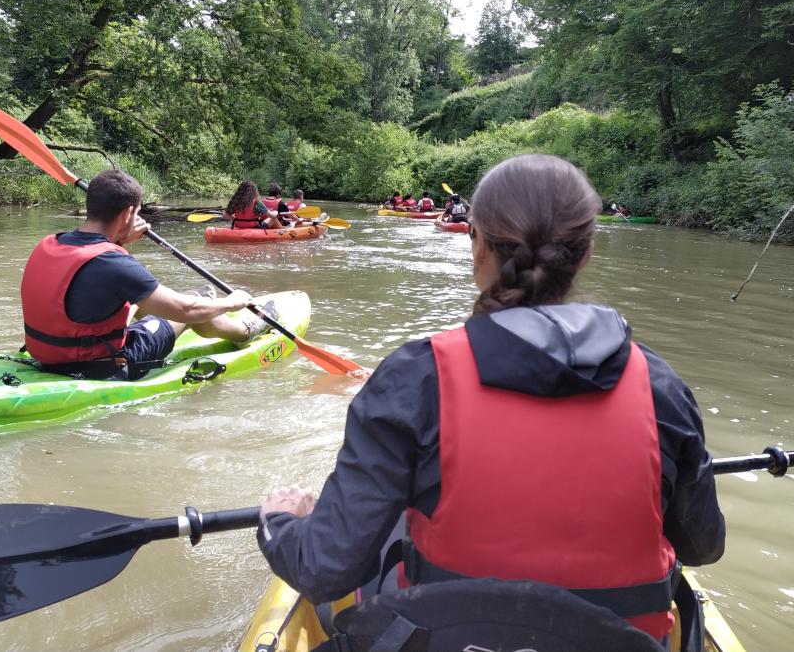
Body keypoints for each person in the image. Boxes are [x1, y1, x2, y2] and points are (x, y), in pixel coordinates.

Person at [255, 154, 725, 647]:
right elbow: (701, 546)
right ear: (586, 253)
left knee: (389, 529)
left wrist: (280, 523)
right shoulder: (660, 387)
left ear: (476, 245)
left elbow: (325, 569)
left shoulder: (415, 379)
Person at [21, 170, 275, 380]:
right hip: (97, 366)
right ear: (127, 214)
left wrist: (119, 241)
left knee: (139, 301)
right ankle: (245, 331)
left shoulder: (50, 243)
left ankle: (206, 300)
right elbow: (184, 310)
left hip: (46, 357)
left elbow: (96, 276)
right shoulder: (114, 263)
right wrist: (233, 301)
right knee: (191, 303)